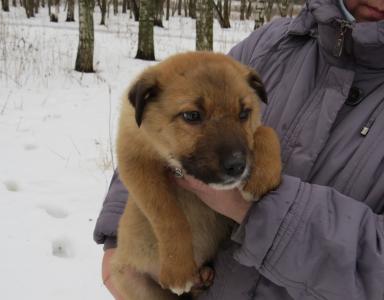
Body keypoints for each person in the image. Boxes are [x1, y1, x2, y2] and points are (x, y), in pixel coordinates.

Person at [94, 0, 384, 298]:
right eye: (194, 117)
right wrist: (117, 240)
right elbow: (147, 133)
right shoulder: (274, 43)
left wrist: (256, 209)